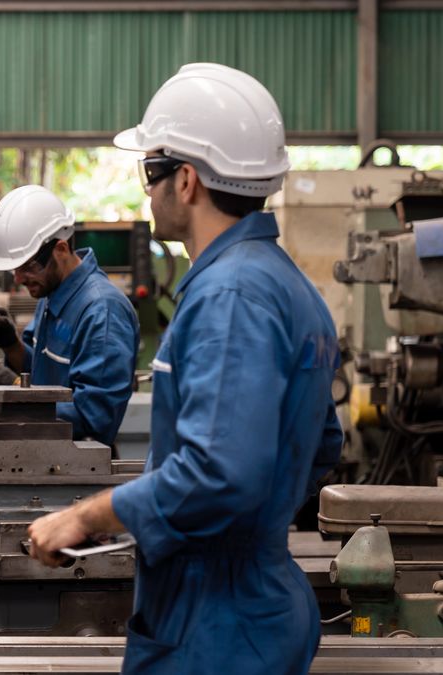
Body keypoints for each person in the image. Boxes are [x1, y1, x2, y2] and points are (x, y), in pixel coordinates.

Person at [25, 63, 343, 674]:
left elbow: (217, 473)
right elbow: (322, 443)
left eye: (151, 172)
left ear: (187, 180)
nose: (147, 191)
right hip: (252, 599)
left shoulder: (230, 295)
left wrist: (82, 516)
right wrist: (252, 527)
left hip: (215, 622)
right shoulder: (285, 284)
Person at [0, 185, 139, 447]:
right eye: (14, 269)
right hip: (44, 456)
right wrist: (11, 344)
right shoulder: (51, 295)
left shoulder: (101, 312)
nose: (18, 279)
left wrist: (14, 388)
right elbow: (39, 376)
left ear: (60, 249)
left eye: (28, 267)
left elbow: (94, 419)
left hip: (78, 471)